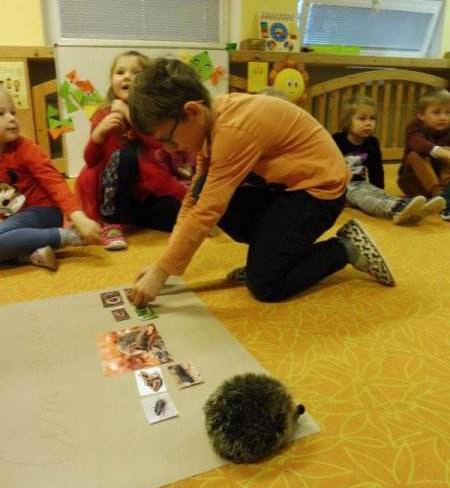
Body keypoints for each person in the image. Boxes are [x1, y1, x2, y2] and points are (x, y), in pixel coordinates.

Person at [126, 58, 396, 306]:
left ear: (193, 111)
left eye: (168, 139)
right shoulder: (210, 119)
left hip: (320, 193)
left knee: (266, 284)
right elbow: (193, 201)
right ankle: (269, 257)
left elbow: (207, 210)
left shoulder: (232, 130)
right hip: (288, 188)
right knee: (201, 188)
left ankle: (344, 248)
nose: (169, 148)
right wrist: (164, 264)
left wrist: (162, 271)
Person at [75, 50, 188, 251]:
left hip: (143, 191)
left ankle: (130, 216)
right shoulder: (103, 113)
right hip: (110, 192)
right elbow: (90, 160)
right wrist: (98, 134)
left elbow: (157, 144)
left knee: (182, 219)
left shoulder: (150, 115)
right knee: (125, 157)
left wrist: (130, 114)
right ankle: (111, 223)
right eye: (120, 72)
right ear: (112, 80)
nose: (127, 77)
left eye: (136, 73)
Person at [0, 87, 102, 271]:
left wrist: (78, 218)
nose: (11, 118)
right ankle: (31, 254)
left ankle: (69, 236)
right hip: (19, 222)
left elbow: (54, 182)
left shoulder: (25, 149)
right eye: (1, 114)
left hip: (44, 213)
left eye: (12, 112)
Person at [333, 95, 445, 224]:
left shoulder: (372, 143)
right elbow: (326, 166)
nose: (369, 123)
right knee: (363, 197)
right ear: (348, 121)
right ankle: (394, 209)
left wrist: (378, 189)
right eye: (362, 119)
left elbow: (376, 169)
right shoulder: (337, 140)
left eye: (372, 118)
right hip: (341, 186)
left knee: (380, 194)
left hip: (360, 182)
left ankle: (409, 205)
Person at [397, 87, 450, 221]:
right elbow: (419, 144)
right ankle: (441, 196)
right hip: (414, 183)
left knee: (447, 150)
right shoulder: (415, 126)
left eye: (448, 112)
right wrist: (443, 153)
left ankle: (447, 193)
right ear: (421, 115)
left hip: (441, 180)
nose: (443, 117)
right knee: (415, 154)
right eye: (436, 113)